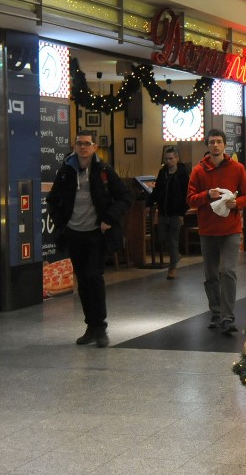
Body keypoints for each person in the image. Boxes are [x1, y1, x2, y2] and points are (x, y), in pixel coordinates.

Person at [46, 129, 132, 348]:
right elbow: (53, 199)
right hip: (74, 234)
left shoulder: (104, 171)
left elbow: (124, 197)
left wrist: (108, 219)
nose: (83, 147)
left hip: (96, 234)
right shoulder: (66, 171)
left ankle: (100, 327)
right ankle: (90, 327)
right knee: (82, 281)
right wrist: (62, 223)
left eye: (87, 143)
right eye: (79, 143)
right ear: (74, 146)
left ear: (94, 147)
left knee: (94, 277)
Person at [187, 129, 246, 334]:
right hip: (208, 230)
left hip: (231, 228)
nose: (215, 145)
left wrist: (236, 203)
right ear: (207, 145)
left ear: (225, 145)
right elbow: (190, 199)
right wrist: (207, 194)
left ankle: (227, 316)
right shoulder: (198, 170)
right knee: (211, 274)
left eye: (219, 142)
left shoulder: (237, 168)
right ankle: (215, 312)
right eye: (212, 142)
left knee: (228, 271)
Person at [147, 146, 190, 280]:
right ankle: (176, 255)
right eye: (166, 159)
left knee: (173, 240)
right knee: (162, 238)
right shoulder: (163, 173)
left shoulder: (183, 173)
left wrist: (182, 212)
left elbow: (186, 193)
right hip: (163, 212)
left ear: (176, 158)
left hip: (176, 213)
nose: (168, 161)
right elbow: (157, 190)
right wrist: (149, 203)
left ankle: (172, 269)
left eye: (171, 158)